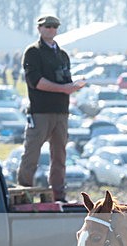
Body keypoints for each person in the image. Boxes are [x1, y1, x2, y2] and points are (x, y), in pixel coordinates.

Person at [17, 15, 86, 202]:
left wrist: (74, 86)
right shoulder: (33, 52)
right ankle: (23, 195)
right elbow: (35, 81)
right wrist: (64, 89)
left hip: (61, 112)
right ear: (39, 28)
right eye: (47, 26)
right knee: (31, 153)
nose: (51, 29)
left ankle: (58, 195)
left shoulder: (62, 55)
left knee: (60, 156)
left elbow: (64, 79)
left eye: (54, 26)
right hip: (40, 112)